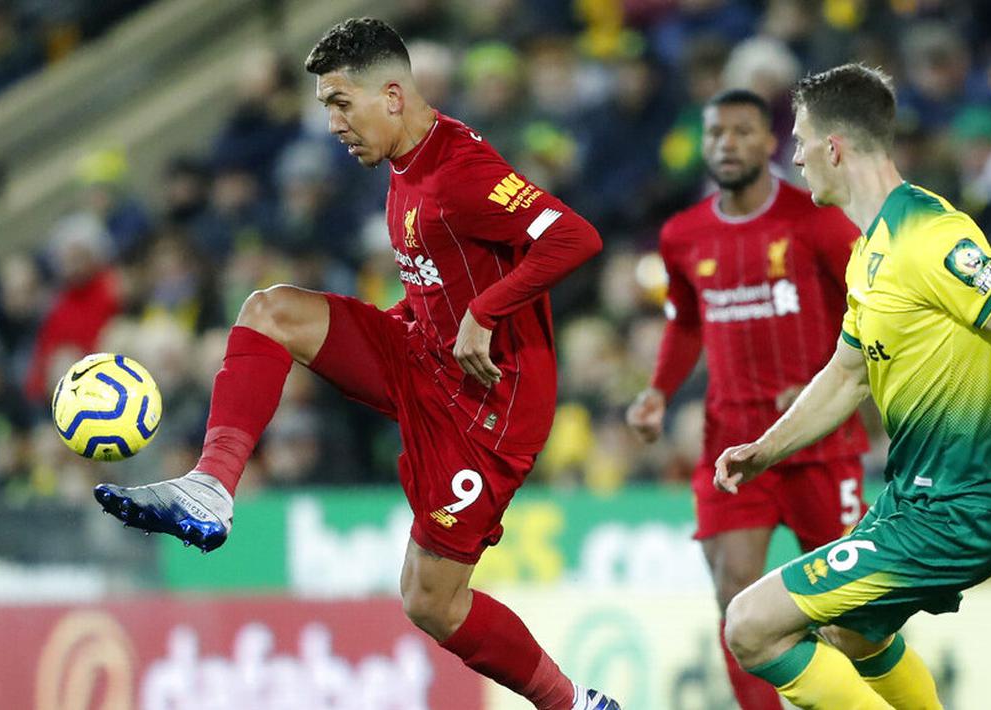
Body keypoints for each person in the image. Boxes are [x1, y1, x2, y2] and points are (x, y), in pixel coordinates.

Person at [94, 18, 620, 710]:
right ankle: (211, 487)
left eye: (341, 104)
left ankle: (571, 705)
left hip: (490, 409)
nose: (333, 124)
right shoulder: (406, 162)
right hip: (424, 356)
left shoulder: (461, 173)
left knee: (429, 601)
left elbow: (575, 238)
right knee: (270, 310)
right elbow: (443, 269)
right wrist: (425, 315)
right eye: (324, 107)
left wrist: (485, 311)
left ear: (394, 95)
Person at [713, 63, 991, 710]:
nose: (795, 156)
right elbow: (846, 373)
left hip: (962, 505)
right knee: (851, 635)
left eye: (802, 141)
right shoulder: (871, 251)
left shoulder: (931, 237)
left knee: (749, 627)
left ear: (834, 147)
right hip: (913, 501)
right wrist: (766, 449)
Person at [626, 88, 868, 709]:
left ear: (770, 142)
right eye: (714, 134)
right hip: (733, 446)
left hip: (820, 439)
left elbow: (868, 312)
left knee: (850, 611)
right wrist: (658, 392)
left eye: (741, 131)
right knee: (736, 595)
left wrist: (822, 379)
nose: (725, 144)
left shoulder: (815, 220)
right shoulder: (683, 236)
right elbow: (684, 323)